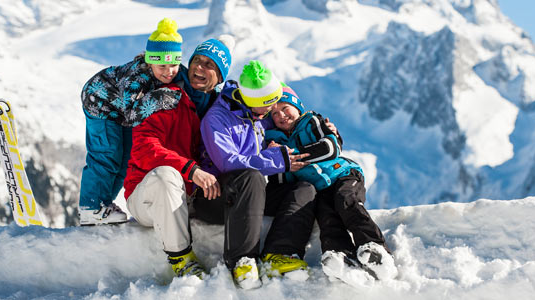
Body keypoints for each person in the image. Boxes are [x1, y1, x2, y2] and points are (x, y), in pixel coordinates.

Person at [78, 16, 234, 226]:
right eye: (161, 65)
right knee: (107, 154)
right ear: (150, 60)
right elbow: (134, 115)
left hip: (121, 112)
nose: (168, 72)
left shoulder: (177, 72)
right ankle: (91, 207)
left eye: (173, 64)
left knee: (124, 159)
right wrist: (159, 98)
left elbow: (197, 90)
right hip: (102, 104)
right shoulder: (136, 80)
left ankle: (105, 204)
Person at [194, 60, 313, 289]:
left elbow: (289, 115)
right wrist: (276, 160)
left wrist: (319, 125)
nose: (272, 109)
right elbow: (229, 163)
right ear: (251, 102)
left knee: (304, 188)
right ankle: (242, 260)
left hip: (250, 196)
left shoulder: (258, 110)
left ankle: (279, 253)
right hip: (215, 197)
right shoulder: (216, 120)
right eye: (268, 106)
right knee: (251, 177)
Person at [266, 85, 398, 282]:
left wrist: (291, 156)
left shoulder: (311, 121)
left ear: (297, 106)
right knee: (327, 215)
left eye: (285, 108)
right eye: (275, 113)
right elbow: (282, 181)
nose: (281, 115)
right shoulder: (274, 141)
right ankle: (339, 254)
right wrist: (275, 158)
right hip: (319, 187)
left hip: (343, 173)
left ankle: (374, 246)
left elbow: (330, 148)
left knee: (346, 201)